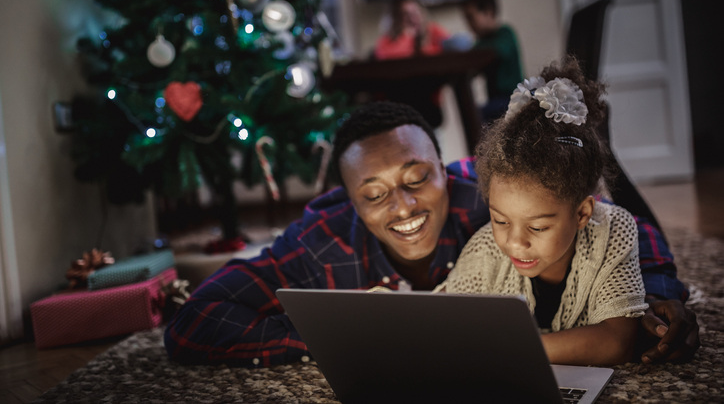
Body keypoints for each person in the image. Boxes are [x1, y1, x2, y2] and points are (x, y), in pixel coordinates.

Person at [164, 101, 699, 367]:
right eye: (373, 194)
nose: (403, 207)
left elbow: (612, 223)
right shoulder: (320, 238)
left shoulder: (488, 196)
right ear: (351, 202)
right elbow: (194, 322)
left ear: (448, 170)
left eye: (417, 179)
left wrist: (658, 294)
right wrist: (341, 342)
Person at [435, 57, 649, 365]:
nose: (514, 242)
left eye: (537, 227)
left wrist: (505, 350)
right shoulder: (485, 250)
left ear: (582, 214)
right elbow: (444, 323)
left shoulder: (611, 232)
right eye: (500, 219)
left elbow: (617, 342)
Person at [372, 0, 450, 128]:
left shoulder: (433, 31)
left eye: (415, 13)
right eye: (406, 15)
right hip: (401, 106)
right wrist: (408, 37)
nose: (413, 18)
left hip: (430, 106)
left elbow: (449, 46)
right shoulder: (388, 40)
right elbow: (387, 57)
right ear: (396, 19)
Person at [460, 0, 524, 123]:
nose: (469, 24)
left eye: (471, 17)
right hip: (496, 100)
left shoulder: (505, 33)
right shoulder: (483, 42)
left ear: (488, 12)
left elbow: (499, 51)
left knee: (476, 117)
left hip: (513, 97)